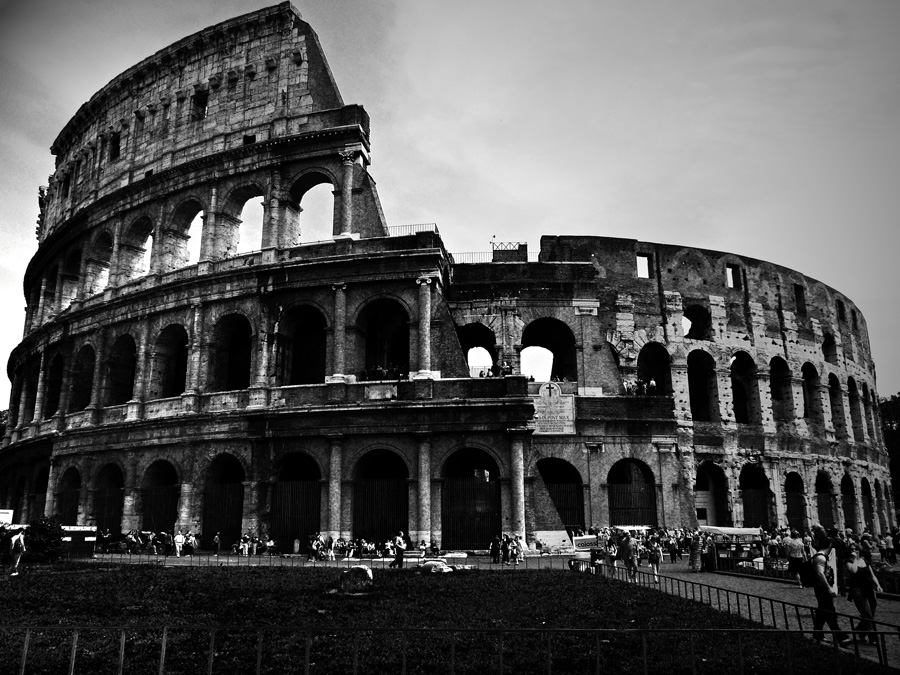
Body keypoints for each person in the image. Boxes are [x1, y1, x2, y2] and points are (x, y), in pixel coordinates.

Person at [811, 526, 851, 647]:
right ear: (829, 546)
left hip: (822, 587)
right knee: (829, 611)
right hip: (822, 588)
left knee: (822, 611)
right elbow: (819, 573)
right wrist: (829, 588)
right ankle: (841, 637)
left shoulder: (823, 556)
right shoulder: (820, 557)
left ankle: (817, 634)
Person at [845, 540, 882, 645]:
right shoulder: (849, 562)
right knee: (867, 613)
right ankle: (872, 638)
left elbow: (872, 574)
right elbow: (853, 571)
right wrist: (854, 559)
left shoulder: (865, 561)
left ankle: (860, 630)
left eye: (855, 549)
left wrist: (878, 585)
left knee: (870, 614)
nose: (854, 551)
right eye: (851, 549)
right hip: (857, 590)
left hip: (869, 589)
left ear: (859, 549)